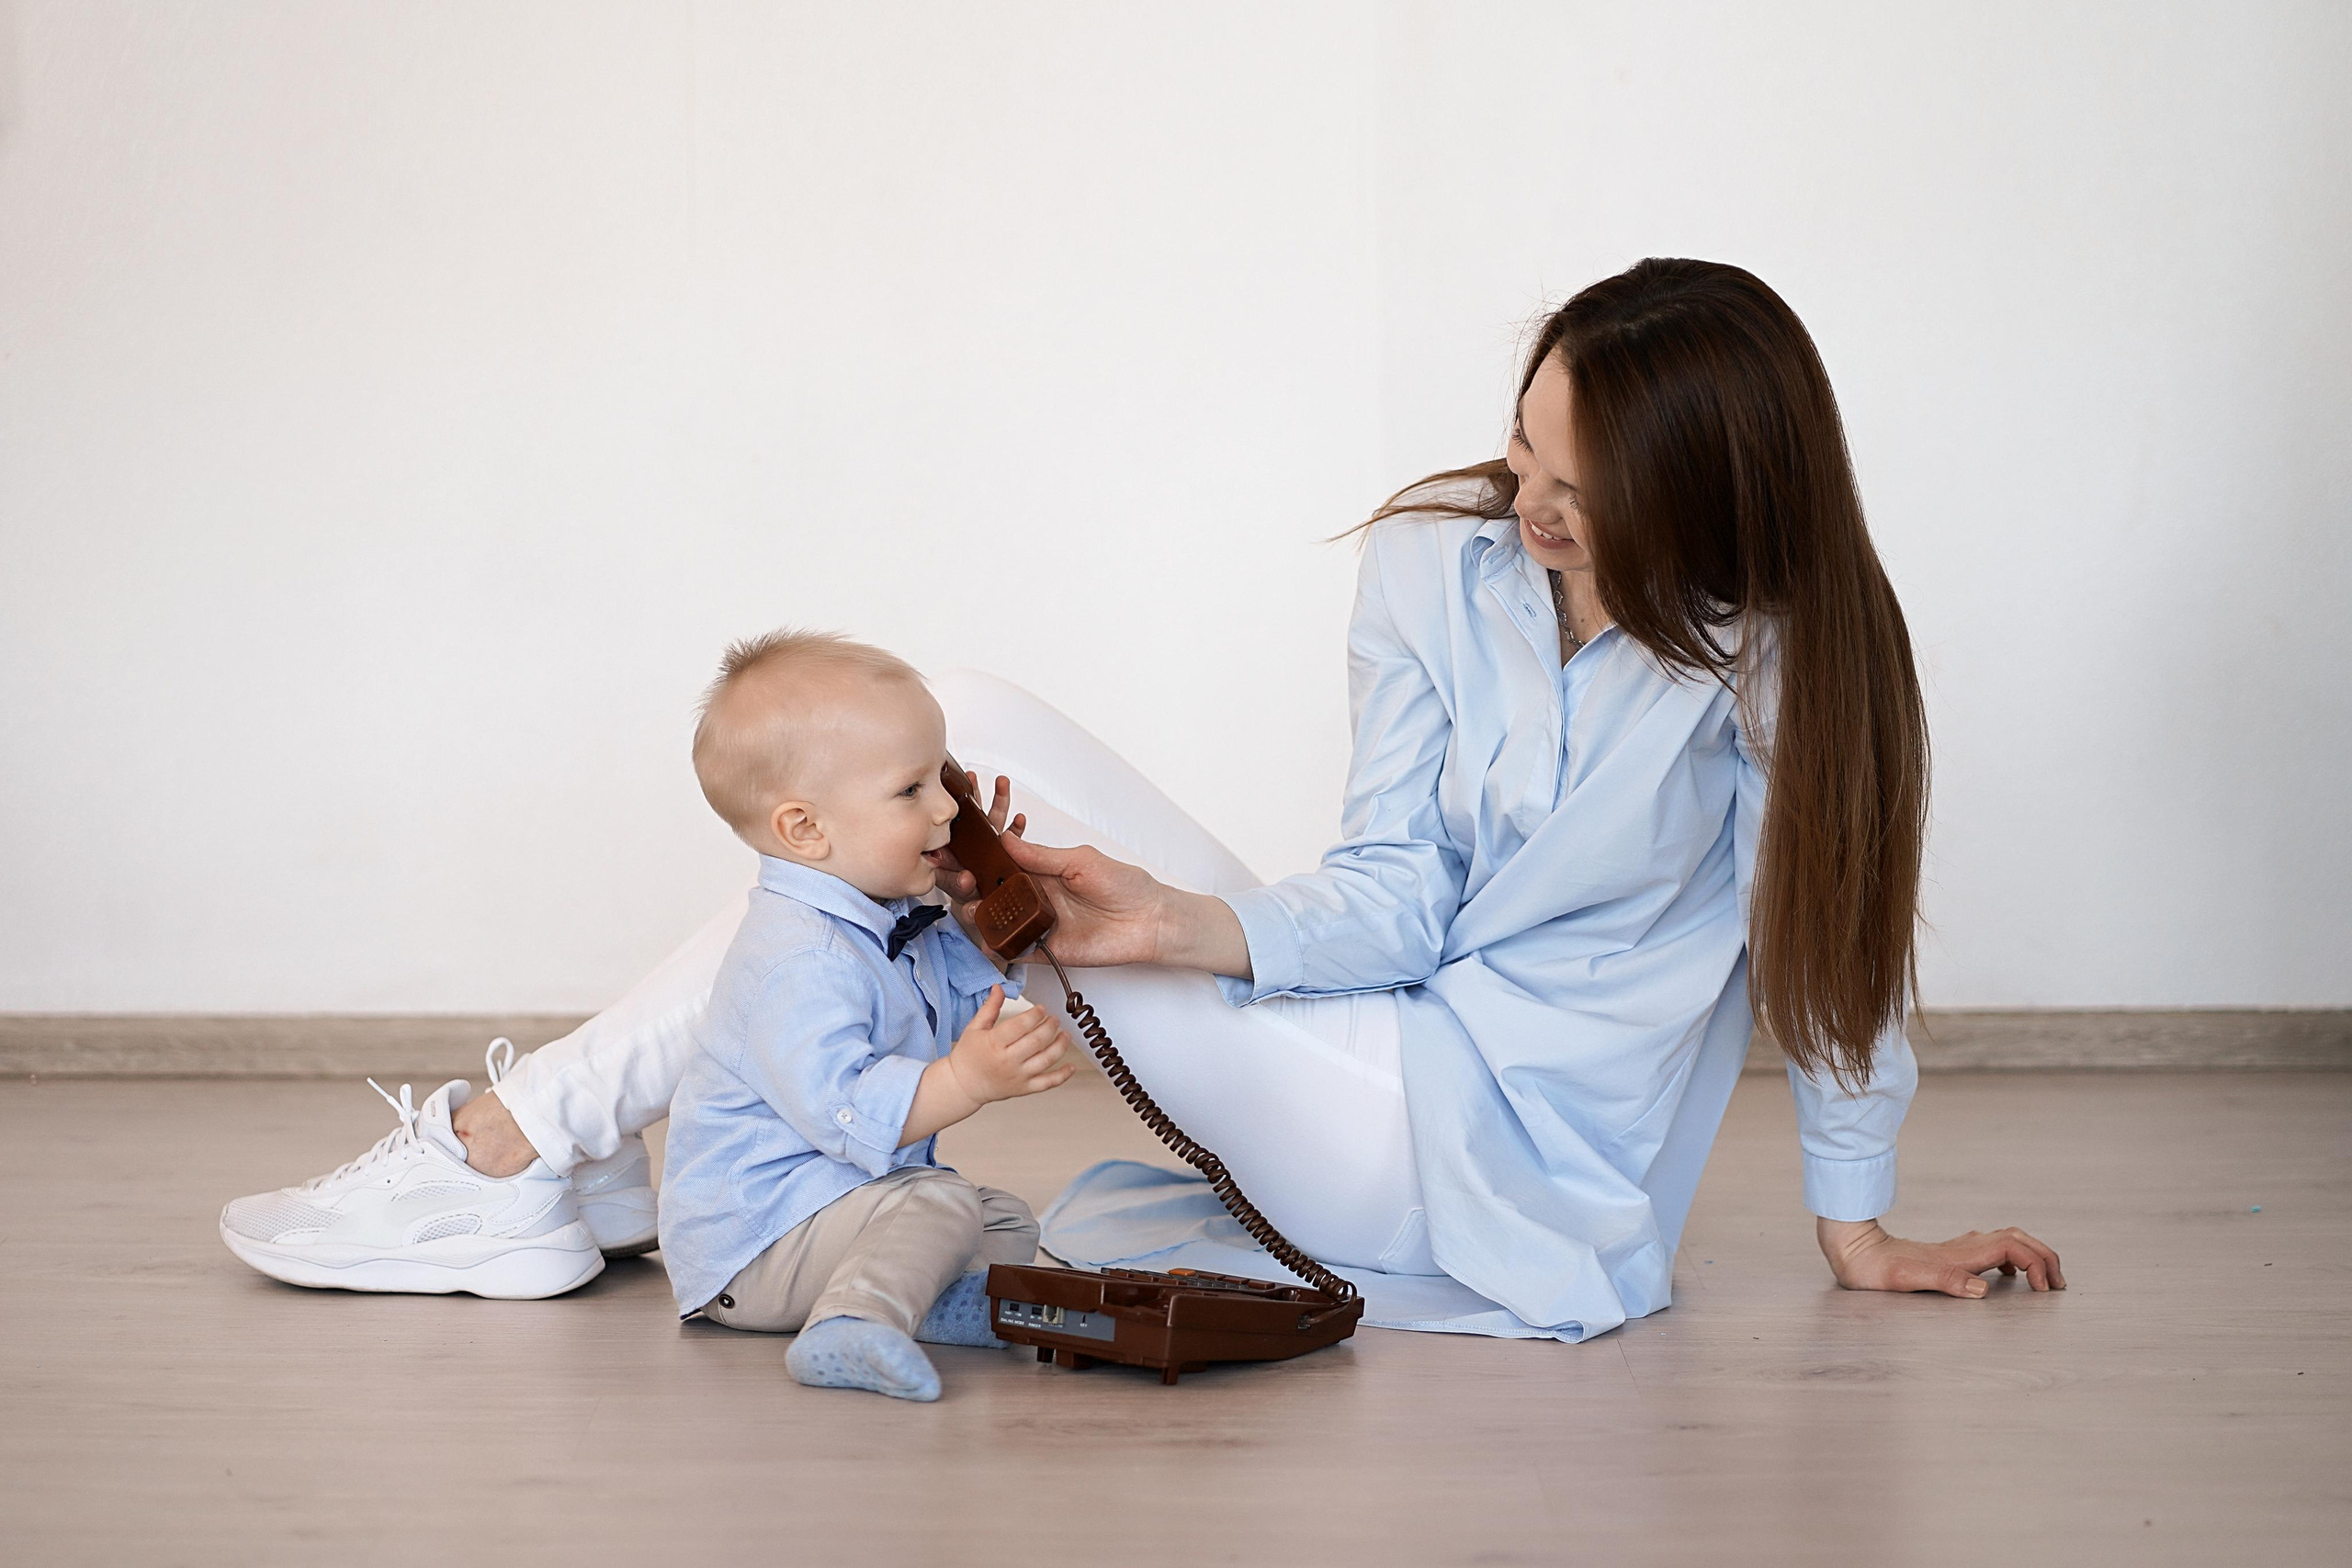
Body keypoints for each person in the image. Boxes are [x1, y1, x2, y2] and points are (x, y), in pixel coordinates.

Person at [223, 257, 2062, 1336]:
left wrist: (1857, 1227)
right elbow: (1395, 884)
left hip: (1497, 1168)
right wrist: (1179, 923)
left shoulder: (1788, 662)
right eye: (1520, 447)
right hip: (1363, 1039)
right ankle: (594, 1153)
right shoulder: (1439, 572)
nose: (1525, 509)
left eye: (1579, 492)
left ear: (1710, 507)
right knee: (927, 789)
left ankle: (518, 1153)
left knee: (952, 739)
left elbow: (1833, 976)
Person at [659, 631, 1072, 1401]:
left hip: (829, 1210)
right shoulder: (800, 959)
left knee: (1004, 1220)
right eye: (911, 790)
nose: (951, 806)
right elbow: (847, 1112)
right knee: (938, 1200)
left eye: (941, 779)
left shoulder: (883, 915)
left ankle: (933, 1304)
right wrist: (965, 1080)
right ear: (806, 829)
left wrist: (982, 912)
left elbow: (943, 1012)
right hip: (752, 1247)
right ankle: (852, 1321)